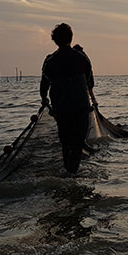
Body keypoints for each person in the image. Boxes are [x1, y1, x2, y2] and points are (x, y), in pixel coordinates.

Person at [39, 23, 93, 174]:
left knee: (66, 142)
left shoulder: (50, 61)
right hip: (80, 107)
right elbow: (89, 82)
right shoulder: (81, 59)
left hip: (61, 108)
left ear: (55, 40)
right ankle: (72, 174)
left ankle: (67, 172)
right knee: (77, 143)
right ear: (71, 38)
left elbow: (44, 85)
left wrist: (44, 99)